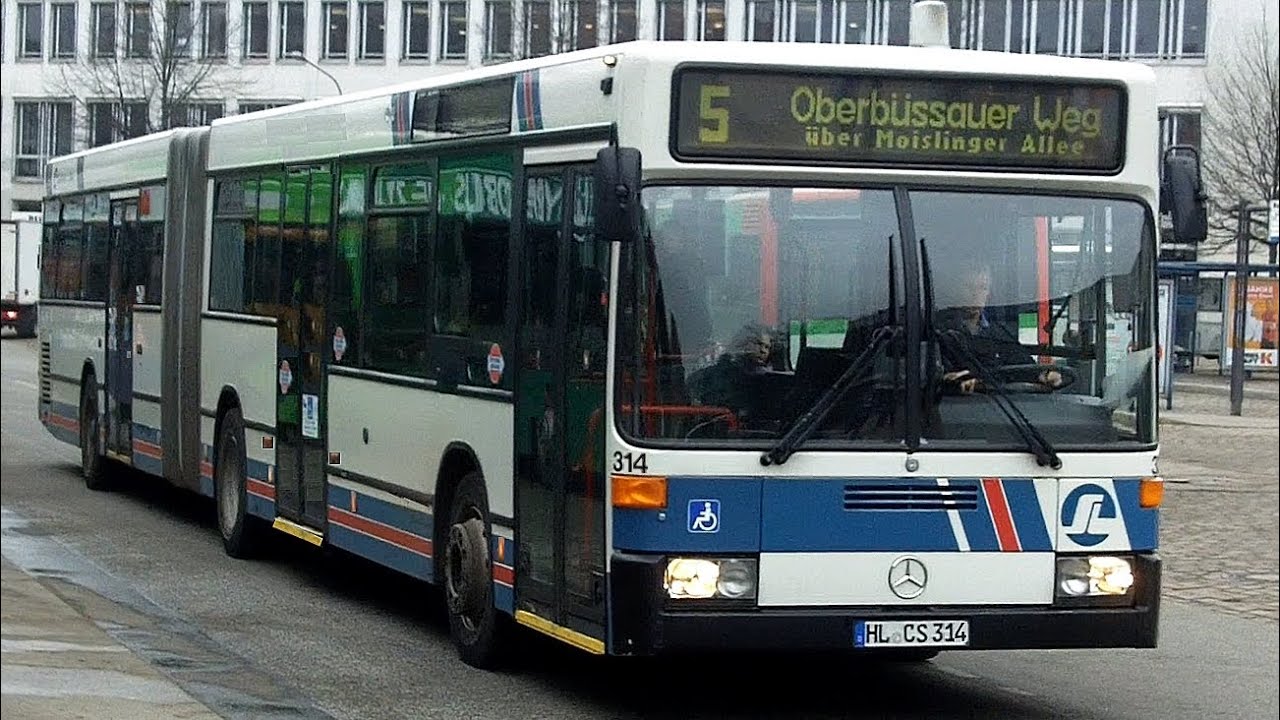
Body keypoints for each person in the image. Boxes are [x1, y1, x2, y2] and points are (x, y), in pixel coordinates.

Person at [935, 263, 1062, 394]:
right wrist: (948, 381)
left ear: (988, 293)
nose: (975, 295)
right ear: (956, 290)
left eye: (982, 288)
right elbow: (930, 375)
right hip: (955, 408)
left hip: (1002, 407)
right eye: (969, 287)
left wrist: (1043, 375)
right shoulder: (938, 330)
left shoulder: (998, 333)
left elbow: (1022, 365)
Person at [686, 323, 774, 419]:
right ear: (743, 343)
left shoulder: (767, 380)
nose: (763, 351)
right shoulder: (715, 373)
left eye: (767, 347)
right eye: (758, 344)